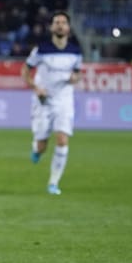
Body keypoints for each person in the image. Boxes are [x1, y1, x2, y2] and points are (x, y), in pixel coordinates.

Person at [21, 11, 82, 195]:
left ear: (68, 28)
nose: (60, 25)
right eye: (57, 22)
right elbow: (25, 70)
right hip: (43, 100)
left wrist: (75, 78)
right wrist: (35, 87)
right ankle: (37, 149)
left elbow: (77, 73)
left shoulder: (75, 51)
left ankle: (53, 183)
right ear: (51, 27)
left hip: (64, 99)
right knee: (42, 145)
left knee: (62, 139)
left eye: (63, 22)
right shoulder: (41, 49)